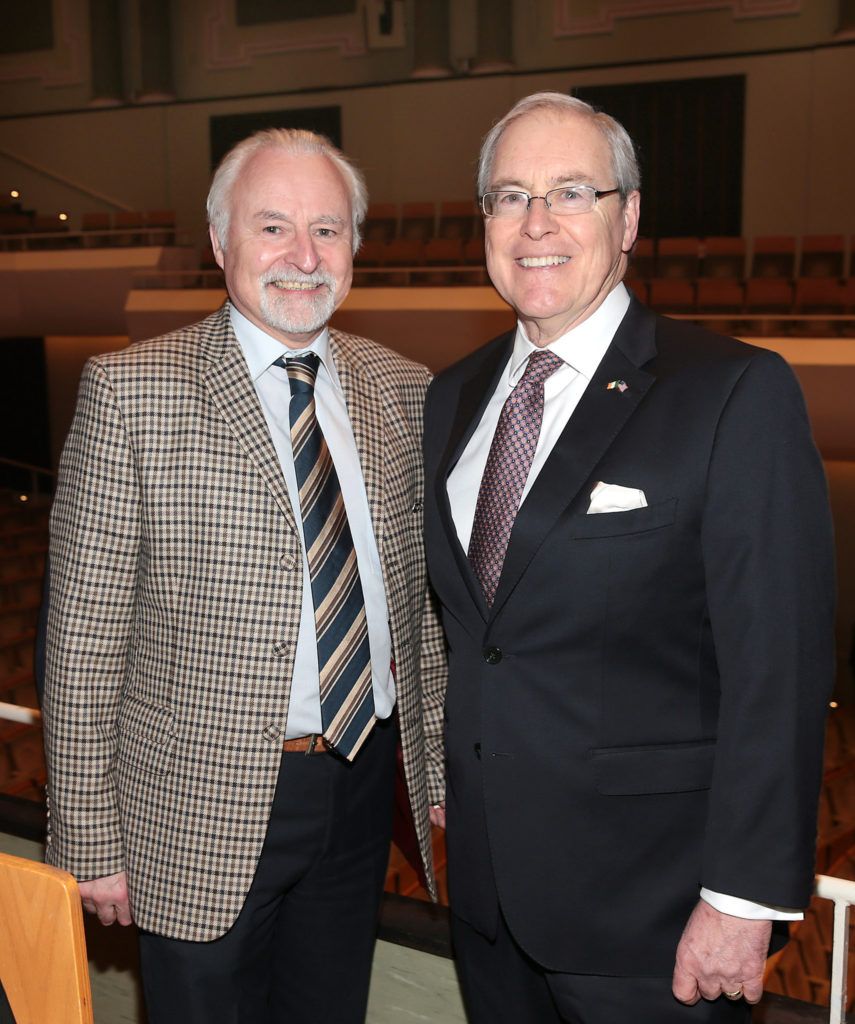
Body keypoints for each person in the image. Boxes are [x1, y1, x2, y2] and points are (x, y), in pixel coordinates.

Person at [422, 92, 835, 1023]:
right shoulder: (449, 400)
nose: (536, 224)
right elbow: (473, 638)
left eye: (572, 192)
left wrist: (740, 900)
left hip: (655, 920)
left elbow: (778, 665)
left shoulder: (730, 392)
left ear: (629, 217)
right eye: (508, 196)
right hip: (488, 908)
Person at [42, 127, 446, 1024]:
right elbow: (80, 642)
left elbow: (422, 609)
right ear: (222, 243)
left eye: (328, 230)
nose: (303, 257)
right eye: (273, 228)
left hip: (357, 784)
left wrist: (439, 774)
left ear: (355, 248)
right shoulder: (131, 391)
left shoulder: (404, 389)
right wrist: (89, 838)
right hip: (196, 811)